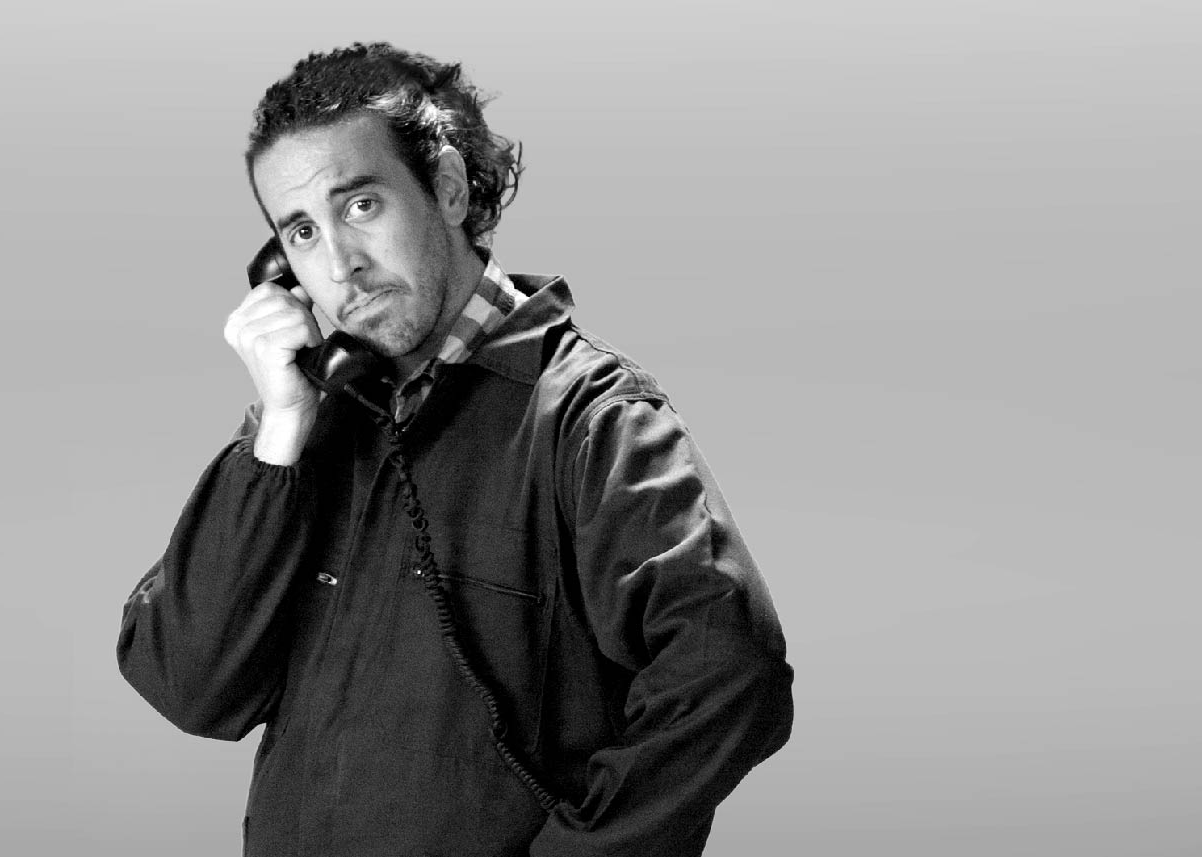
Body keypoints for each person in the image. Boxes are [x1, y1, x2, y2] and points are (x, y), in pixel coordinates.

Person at [117, 42, 794, 856]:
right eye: (301, 231)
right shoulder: (302, 429)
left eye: (360, 205)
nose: (338, 266)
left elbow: (730, 676)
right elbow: (188, 686)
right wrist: (281, 431)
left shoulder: (592, 418)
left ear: (446, 187)